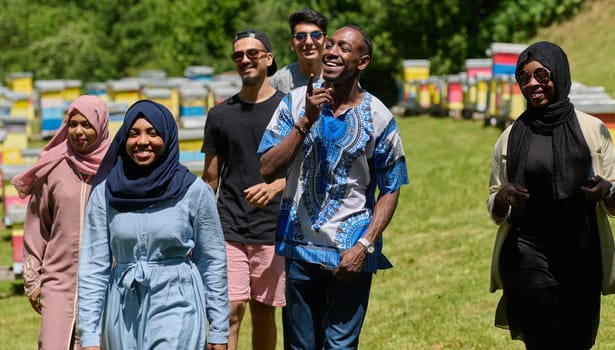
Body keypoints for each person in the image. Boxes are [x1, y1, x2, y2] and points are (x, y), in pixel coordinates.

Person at [258, 25, 408, 349]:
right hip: (299, 248)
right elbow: (267, 168)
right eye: (331, 45)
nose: (331, 51)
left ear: (363, 61)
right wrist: (305, 121)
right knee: (301, 346)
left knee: (340, 346)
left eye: (343, 47)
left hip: (350, 254)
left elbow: (392, 188)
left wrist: (365, 246)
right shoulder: (295, 103)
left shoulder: (379, 117)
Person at [487, 41, 615, 349]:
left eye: (541, 75)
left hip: (581, 252)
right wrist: (504, 195)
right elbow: (494, 201)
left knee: (578, 339)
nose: (532, 84)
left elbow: (614, 198)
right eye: (524, 77)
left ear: (559, 73)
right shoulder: (511, 136)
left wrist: (606, 189)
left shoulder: (593, 130)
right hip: (528, 252)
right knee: (542, 337)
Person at [77, 99, 229, 350]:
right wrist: (90, 335)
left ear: (168, 137)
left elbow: (212, 262)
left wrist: (220, 328)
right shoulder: (105, 194)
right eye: (133, 134)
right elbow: (93, 266)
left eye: (153, 132)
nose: (142, 141)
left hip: (178, 302)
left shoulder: (194, 192)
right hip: (123, 308)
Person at [201, 29, 286, 350]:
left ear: (268, 58)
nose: (245, 60)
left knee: (264, 315)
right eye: (238, 55)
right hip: (228, 228)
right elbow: (210, 179)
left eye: (252, 53)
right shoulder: (220, 115)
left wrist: (276, 186)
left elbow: (304, 171)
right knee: (228, 313)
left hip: (273, 229)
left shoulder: (288, 109)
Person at [11, 95, 110, 350]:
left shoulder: (116, 170)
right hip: (58, 282)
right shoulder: (53, 168)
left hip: (106, 283)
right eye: (73, 124)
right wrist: (33, 280)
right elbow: (36, 226)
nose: (78, 131)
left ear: (100, 126)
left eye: (86, 125)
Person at [269, 8, 327, 94]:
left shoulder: (338, 78)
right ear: (292, 44)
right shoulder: (278, 81)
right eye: (301, 36)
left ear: (326, 42)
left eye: (316, 35)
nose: (308, 42)